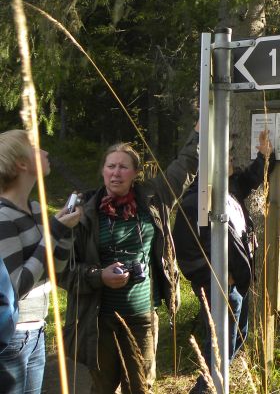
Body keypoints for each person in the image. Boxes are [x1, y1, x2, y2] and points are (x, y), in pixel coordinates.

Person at [58, 124, 199, 394]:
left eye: (123, 167)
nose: (116, 172)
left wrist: (199, 132)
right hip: (100, 320)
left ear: (135, 173)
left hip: (142, 318)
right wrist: (99, 276)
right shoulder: (82, 212)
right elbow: (63, 270)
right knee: (103, 388)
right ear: (102, 171)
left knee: (140, 387)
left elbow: (185, 166)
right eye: (111, 166)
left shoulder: (154, 198)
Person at [173, 129, 272, 393]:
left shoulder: (229, 188)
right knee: (219, 348)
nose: (231, 160)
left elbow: (251, 178)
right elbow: (186, 252)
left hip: (236, 282)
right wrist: (217, 277)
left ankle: (210, 386)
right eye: (226, 157)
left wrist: (264, 156)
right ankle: (206, 389)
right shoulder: (197, 200)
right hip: (219, 285)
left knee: (237, 337)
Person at [0, 130, 82, 394]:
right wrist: (54, 232)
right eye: (36, 148)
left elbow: (53, 272)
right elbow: (17, 287)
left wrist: (65, 232)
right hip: (11, 337)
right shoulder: (3, 216)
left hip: (37, 330)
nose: (45, 152)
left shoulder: (35, 209)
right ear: (22, 164)